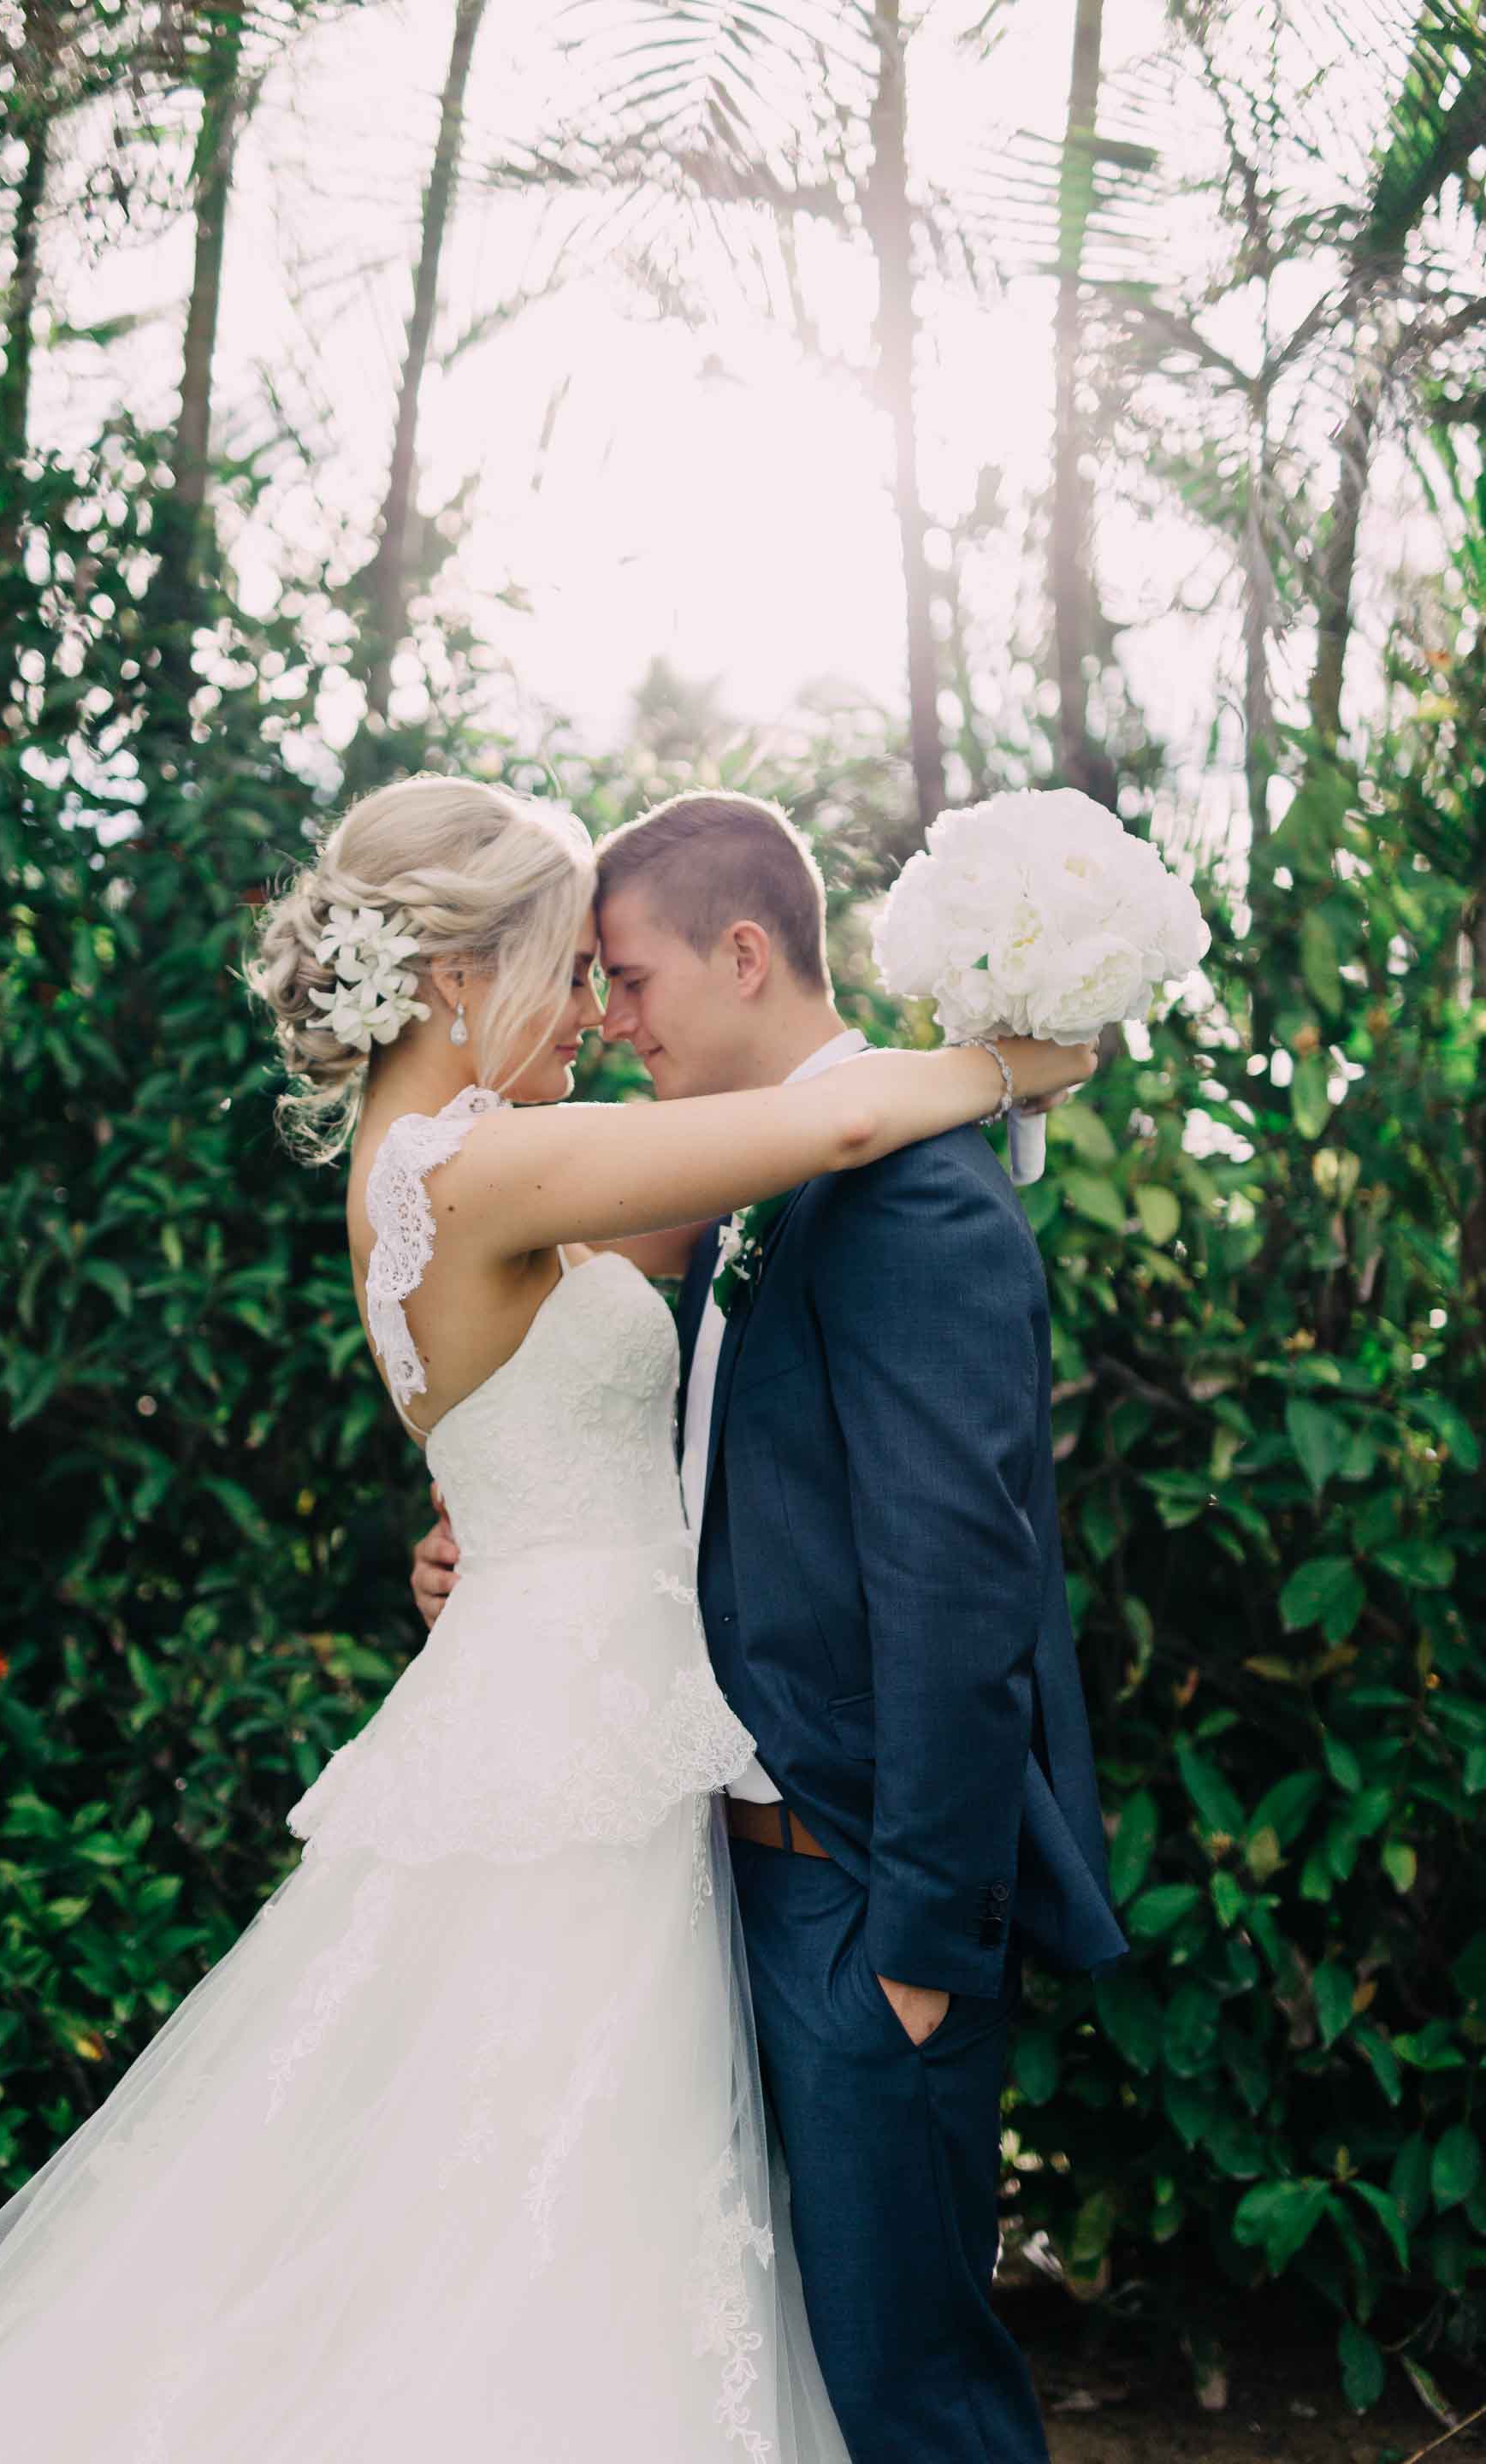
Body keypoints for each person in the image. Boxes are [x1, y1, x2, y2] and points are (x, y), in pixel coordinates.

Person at [0, 773, 1096, 2463]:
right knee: (563, 2213)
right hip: (579, 1759)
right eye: (564, 971)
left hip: (572, 1706)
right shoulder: (474, 1161)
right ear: (454, 978)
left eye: (611, 975)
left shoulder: (433, 1174)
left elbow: (732, 1225)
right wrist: (1029, 1063)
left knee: (532, 2204)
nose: (590, 1007)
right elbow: (835, 1130)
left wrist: (480, 1547)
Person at [414, 788, 1130, 2464]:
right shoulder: (752, 1186)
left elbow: (964, 1595)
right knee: (782, 2377)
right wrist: (497, 1558)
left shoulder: (915, 1201)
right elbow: (716, 1496)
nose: (610, 1021)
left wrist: (923, 1957)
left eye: (633, 979)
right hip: (720, 1875)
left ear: (744, 953)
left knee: (911, 2398)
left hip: (862, 1902)